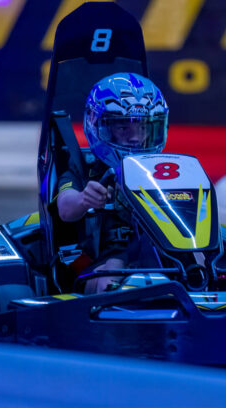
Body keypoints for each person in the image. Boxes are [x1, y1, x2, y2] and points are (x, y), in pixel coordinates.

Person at [56, 72, 168, 293]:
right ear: (98, 126)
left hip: (158, 253)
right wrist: (84, 199)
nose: (136, 138)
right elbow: (65, 208)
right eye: (124, 127)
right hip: (96, 260)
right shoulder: (84, 168)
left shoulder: (161, 170)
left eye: (143, 127)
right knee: (113, 275)